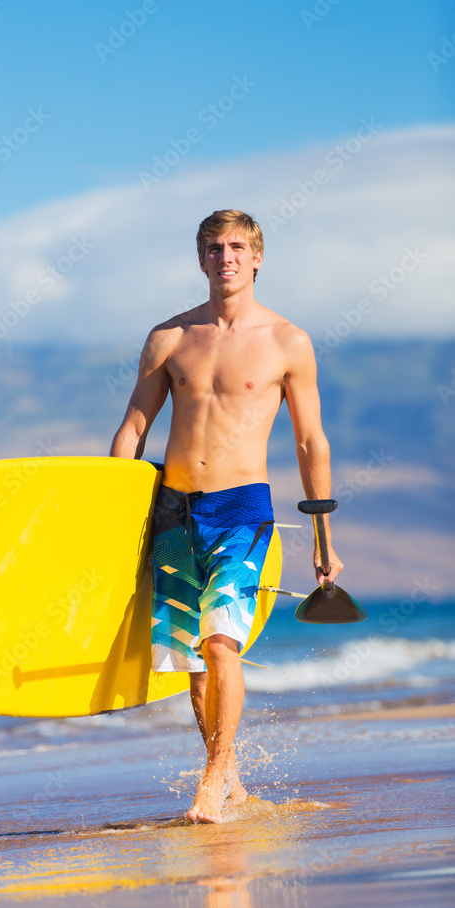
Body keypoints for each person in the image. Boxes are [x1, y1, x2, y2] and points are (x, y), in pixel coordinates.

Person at [110, 209, 343, 823]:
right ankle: (232, 777)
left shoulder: (286, 342)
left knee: (220, 642)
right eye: (215, 248)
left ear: (258, 257)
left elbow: (310, 441)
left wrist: (324, 535)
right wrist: (110, 522)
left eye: (238, 246)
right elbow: (134, 429)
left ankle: (212, 780)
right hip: (173, 510)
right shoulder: (169, 339)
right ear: (201, 259)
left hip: (242, 508)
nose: (227, 257)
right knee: (191, 658)